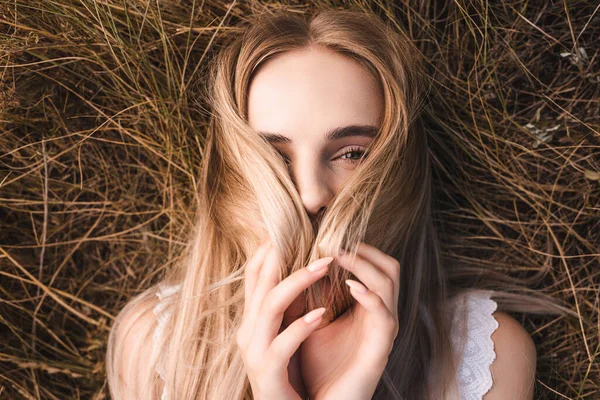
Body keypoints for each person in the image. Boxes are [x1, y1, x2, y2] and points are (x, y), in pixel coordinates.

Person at [105, 7, 570, 400]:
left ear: (397, 172)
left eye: (350, 153)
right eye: (272, 155)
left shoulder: (483, 354)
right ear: (232, 178)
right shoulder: (157, 346)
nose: (310, 195)